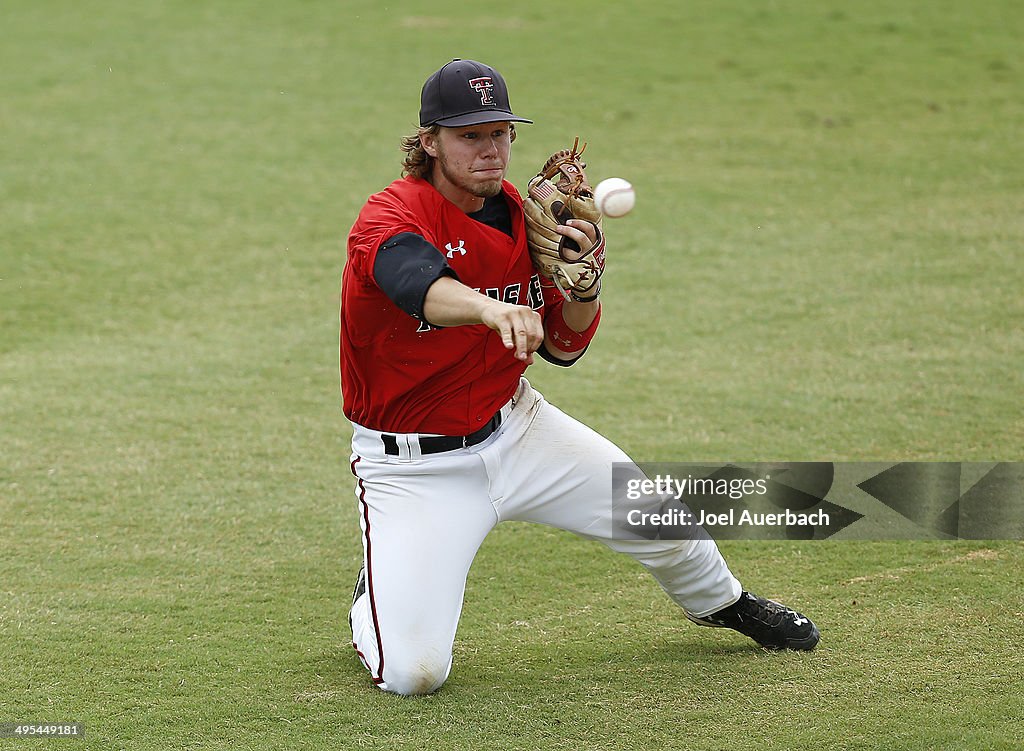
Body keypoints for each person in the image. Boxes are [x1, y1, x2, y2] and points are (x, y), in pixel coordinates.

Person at [340, 59, 819, 696]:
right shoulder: (392, 215)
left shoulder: (522, 217)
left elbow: (562, 348)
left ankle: (726, 602)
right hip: (415, 472)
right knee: (415, 675)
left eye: (499, 133)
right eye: (469, 136)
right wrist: (488, 307)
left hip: (518, 429)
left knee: (662, 522)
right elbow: (412, 283)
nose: (490, 151)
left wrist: (583, 282)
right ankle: (376, 589)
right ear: (429, 142)